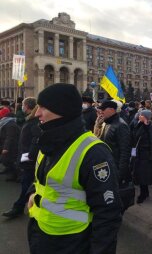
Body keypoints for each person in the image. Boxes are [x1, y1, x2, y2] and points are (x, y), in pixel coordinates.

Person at [27, 83, 122, 254]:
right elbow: (43, 180)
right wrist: (32, 193)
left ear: (61, 111)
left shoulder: (94, 152)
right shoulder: (47, 141)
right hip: (41, 233)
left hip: (72, 242)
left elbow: (108, 214)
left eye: (43, 107)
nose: (37, 113)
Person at [3, 97, 40, 218]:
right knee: (28, 184)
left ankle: (18, 207)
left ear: (28, 106)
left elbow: (36, 140)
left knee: (26, 185)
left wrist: (30, 155)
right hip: (26, 158)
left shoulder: (34, 122)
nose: (22, 107)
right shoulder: (29, 120)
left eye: (23, 105)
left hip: (29, 160)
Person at [96, 100, 132, 187]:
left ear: (112, 110)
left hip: (115, 167)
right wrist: (97, 125)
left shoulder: (121, 125)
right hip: (108, 164)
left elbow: (125, 151)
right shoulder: (106, 122)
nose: (101, 111)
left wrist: (120, 173)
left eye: (103, 109)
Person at [130, 110, 152, 203]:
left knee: (143, 175)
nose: (139, 116)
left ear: (145, 117)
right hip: (138, 153)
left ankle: (143, 194)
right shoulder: (138, 124)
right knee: (139, 174)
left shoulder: (150, 127)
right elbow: (134, 138)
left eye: (141, 115)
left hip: (145, 154)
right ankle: (145, 192)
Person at [0, 105, 20, 181]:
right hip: (7, 145)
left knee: (7, 160)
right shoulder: (6, 123)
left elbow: (10, 137)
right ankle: (14, 174)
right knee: (7, 160)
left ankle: (16, 175)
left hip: (10, 146)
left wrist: (5, 148)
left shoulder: (10, 125)